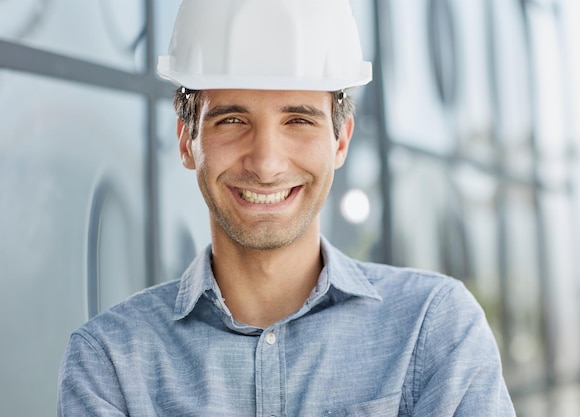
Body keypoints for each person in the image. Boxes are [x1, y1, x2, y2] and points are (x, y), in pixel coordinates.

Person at [57, 0, 516, 415]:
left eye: (298, 119)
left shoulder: (433, 328)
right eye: (232, 120)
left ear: (341, 139)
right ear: (186, 140)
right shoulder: (110, 362)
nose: (267, 164)